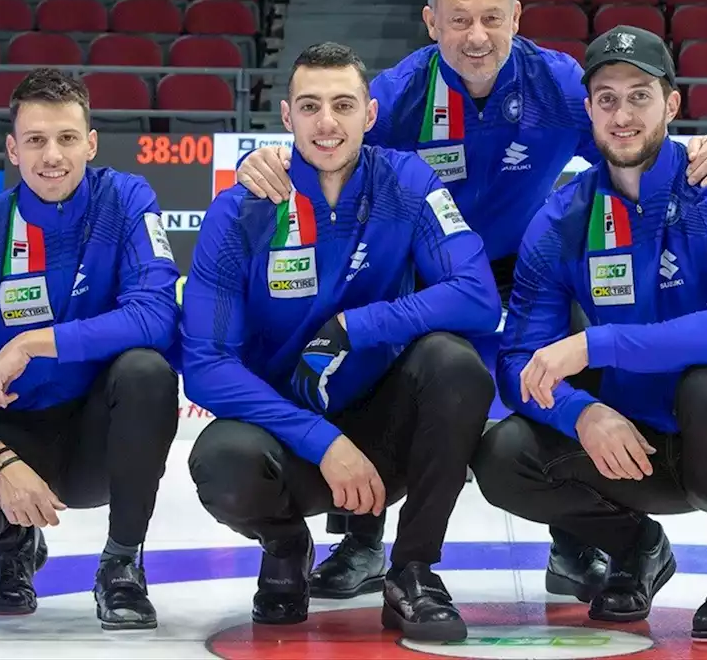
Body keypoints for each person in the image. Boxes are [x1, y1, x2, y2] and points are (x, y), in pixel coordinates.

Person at [233, 0, 707, 604]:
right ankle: (361, 539)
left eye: (491, 19)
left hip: (528, 269)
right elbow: (327, 138)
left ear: (517, 18)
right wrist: (270, 159)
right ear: (430, 21)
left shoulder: (558, 86)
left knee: (576, 359)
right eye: (458, 20)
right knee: (379, 375)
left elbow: (633, 142)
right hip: (425, 273)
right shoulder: (395, 96)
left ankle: (578, 539)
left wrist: (706, 145)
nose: (476, 36)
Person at [470, 26, 707, 640]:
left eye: (640, 96)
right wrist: (582, 415)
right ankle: (635, 547)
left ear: (671, 105)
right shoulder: (565, 214)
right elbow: (520, 359)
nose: (623, 116)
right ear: (589, 109)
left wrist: (597, 343)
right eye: (606, 99)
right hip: (631, 443)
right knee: (502, 455)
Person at [182, 42, 501, 642]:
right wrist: (321, 440)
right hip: (287, 431)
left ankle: (413, 570)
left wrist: (364, 324)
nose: (327, 123)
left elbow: (478, 296)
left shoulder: (405, 181)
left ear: (370, 114)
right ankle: (284, 544)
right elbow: (203, 365)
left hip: (385, 432)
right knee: (223, 462)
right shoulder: (241, 210)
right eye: (310, 106)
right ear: (286, 116)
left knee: (454, 366)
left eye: (343, 105)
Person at [0, 68, 182, 630]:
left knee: (147, 370)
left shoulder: (127, 200)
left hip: (96, 438)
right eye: (35, 140)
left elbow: (157, 315)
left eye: (65, 138)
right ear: (13, 149)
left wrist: (35, 342)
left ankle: (122, 566)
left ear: (91, 143)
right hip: (14, 428)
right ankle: (13, 547)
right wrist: (1, 461)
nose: (51, 155)